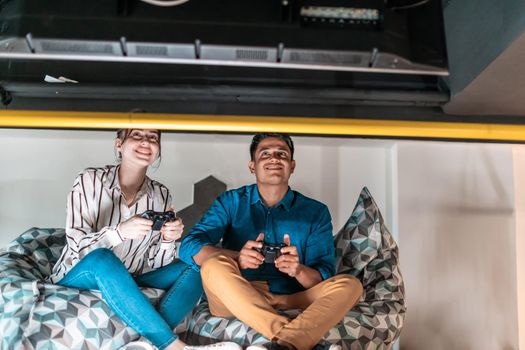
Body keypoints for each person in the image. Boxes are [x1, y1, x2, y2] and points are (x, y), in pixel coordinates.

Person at [49, 128, 241, 350]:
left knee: (199, 267)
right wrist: (119, 232)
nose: (145, 142)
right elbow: (78, 248)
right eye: (137, 135)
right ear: (118, 144)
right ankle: (172, 345)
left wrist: (169, 239)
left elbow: (157, 264)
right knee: (103, 258)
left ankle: (144, 345)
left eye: (152, 138)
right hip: (79, 275)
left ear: (158, 150)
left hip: (129, 279)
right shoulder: (88, 180)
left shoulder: (161, 194)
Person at [179, 133, 363, 350]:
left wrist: (298, 270)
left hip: (292, 296)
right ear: (252, 166)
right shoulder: (231, 202)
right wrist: (238, 257)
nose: (274, 158)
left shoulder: (316, 212)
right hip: (238, 295)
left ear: (292, 165)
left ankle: (284, 342)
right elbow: (188, 246)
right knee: (212, 265)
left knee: (351, 285)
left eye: (281, 154)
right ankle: (291, 340)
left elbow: (323, 277)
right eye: (265, 154)